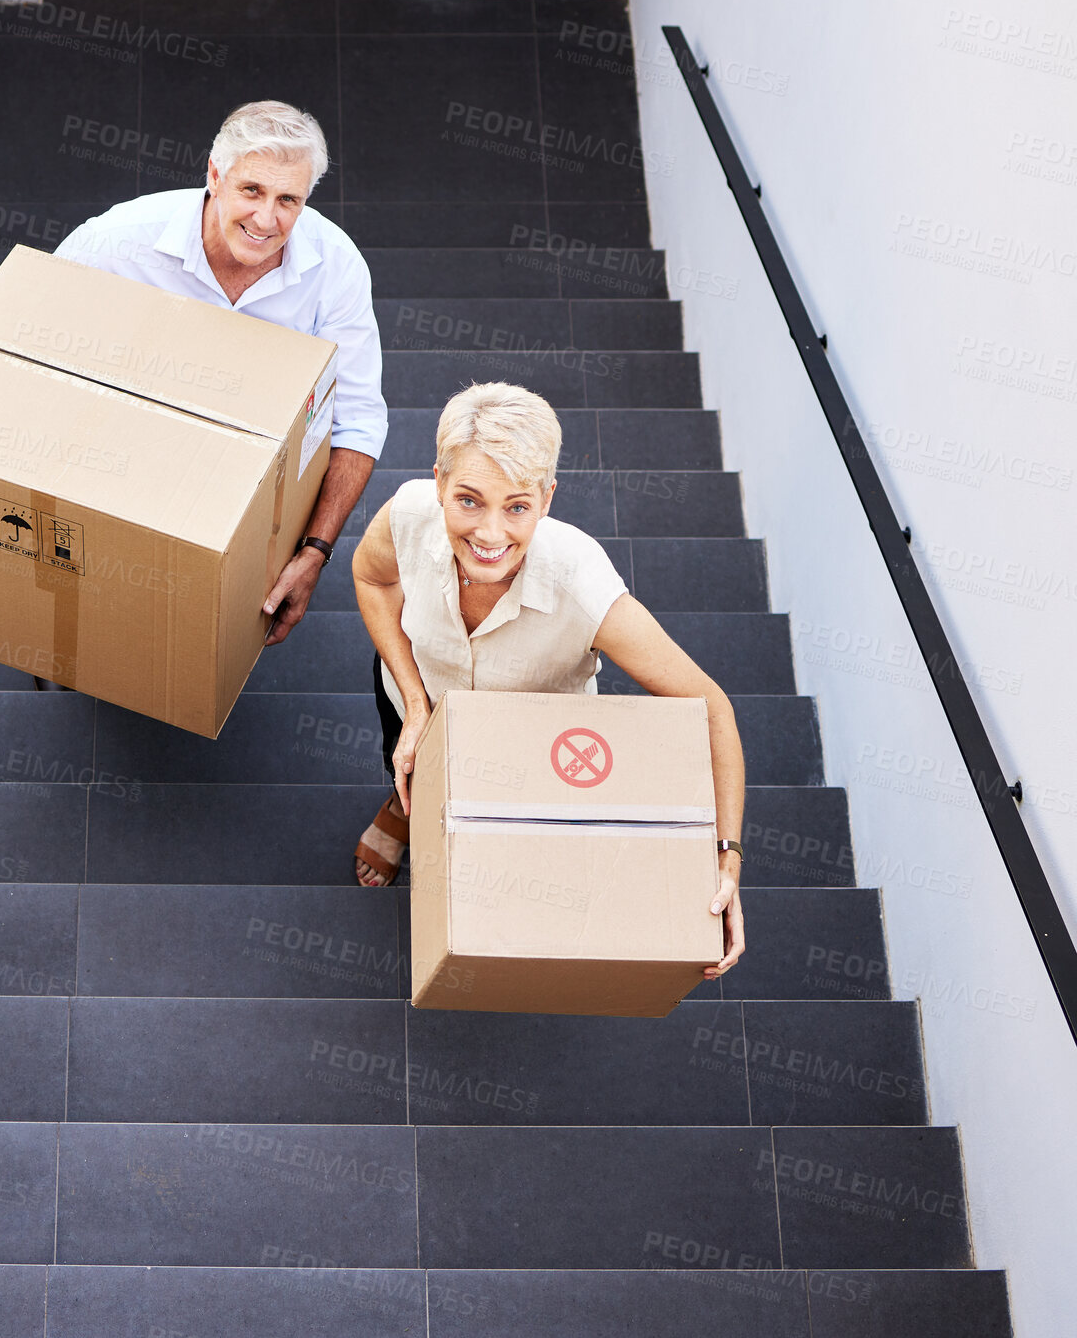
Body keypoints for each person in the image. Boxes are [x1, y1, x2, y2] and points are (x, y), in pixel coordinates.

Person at [351, 382, 746, 980]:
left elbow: (711, 706)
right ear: (438, 482)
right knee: (405, 765)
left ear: (546, 498)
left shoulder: (582, 585)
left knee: (517, 873)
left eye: (516, 506)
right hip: (418, 696)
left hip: (535, 750)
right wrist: (413, 702)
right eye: (467, 500)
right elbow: (372, 579)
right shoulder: (408, 513)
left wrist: (726, 858)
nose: (489, 535)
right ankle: (401, 810)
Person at [53, 99, 386, 646]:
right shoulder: (118, 240)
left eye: (288, 200)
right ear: (214, 174)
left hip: (247, 468)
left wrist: (315, 553)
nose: (266, 219)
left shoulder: (336, 268)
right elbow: (26, 338)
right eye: (251, 190)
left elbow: (357, 419)